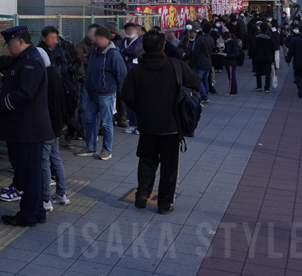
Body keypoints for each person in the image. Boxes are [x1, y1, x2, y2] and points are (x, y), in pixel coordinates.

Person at [121, 30, 200, 215]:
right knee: (169, 167)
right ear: (163, 46)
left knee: (147, 160)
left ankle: (142, 193)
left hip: (147, 126)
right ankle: (164, 205)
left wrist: (141, 108)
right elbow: (195, 81)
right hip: (171, 126)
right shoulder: (175, 66)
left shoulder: (137, 71)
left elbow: (127, 96)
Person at [0, 26, 52, 227]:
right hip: (23, 127)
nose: (8, 47)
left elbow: (25, 93)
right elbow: (12, 87)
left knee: (29, 173)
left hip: (28, 128)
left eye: (9, 43)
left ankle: (29, 214)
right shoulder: (25, 58)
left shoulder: (31, 61)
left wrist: (0, 105)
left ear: (20, 41)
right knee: (29, 172)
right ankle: (37, 211)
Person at [76, 26, 127, 160]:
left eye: (96, 37)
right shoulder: (94, 50)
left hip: (106, 94)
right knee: (91, 120)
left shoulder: (114, 54)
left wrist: (115, 89)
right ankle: (90, 146)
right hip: (92, 91)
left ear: (103, 38)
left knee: (106, 122)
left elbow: (121, 74)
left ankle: (107, 150)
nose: (93, 39)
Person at [42, 53, 70, 212]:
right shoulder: (56, 75)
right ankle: (62, 193)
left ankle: (45, 198)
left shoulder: (45, 79)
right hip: (58, 124)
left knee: (44, 161)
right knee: (56, 158)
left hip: (48, 125)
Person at [191, 23, 215, 103]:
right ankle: (205, 96)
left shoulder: (200, 39)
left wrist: (192, 61)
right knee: (205, 80)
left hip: (200, 62)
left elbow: (196, 52)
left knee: (198, 80)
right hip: (208, 61)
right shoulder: (211, 39)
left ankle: (204, 96)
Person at [249, 24, 275, 92]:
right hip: (268, 58)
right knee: (268, 73)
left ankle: (259, 86)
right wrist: (273, 59)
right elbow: (273, 50)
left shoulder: (256, 38)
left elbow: (253, 48)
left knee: (258, 72)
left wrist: (253, 56)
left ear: (260, 29)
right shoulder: (270, 39)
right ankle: (267, 88)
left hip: (258, 57)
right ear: (266, 30)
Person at [222, 32, 241, 96]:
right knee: (231, 77)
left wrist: (226, 54)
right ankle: (233, 91)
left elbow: (236, 54)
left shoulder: (232, 43)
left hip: (230, 62)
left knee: (231, 77)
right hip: (230, 62)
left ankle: (231, 91)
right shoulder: (232, 43)